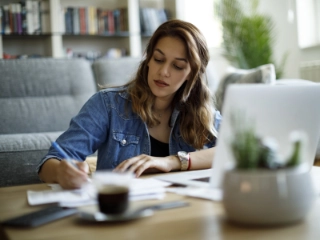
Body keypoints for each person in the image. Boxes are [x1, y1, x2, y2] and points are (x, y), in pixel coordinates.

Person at [37, 19, 221, 189]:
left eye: (178, 66)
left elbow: (236, 153)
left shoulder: (202, 112)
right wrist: (62, 172)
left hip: (181, 212)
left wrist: (172, 161)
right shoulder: (108, 105)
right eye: (158, 59)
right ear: (148, 59)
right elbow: (49, 163)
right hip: (122, 211)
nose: (163, 71)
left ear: (192, 74)